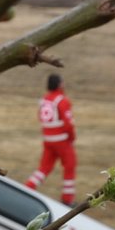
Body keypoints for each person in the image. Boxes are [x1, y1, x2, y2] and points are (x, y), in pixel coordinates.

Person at [23, 73, 77, 205]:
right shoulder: (62, 100)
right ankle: (67, 199)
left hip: (48, 139)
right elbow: (68, 123)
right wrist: (72, 137)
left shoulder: (44, 100)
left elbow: (41, 118)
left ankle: (27, 188)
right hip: (62, 140)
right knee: (70, 166)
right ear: (59, 84)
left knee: (44, 167)